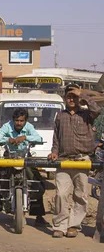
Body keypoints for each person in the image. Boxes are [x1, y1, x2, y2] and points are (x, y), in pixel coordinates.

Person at [48, 85, 101, 238]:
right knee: (61, 194)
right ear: (65, 98)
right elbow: (56, 138)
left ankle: (73, 226)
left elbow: (97, 110)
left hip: (82, 160)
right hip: (64, 161)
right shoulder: (60, 115)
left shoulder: (87, 114)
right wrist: (54, 152)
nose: (71, 99)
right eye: (69, 96)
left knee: (81, 196)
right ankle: (60, 226)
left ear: (78, 99)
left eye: (74, 97)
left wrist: (83, 94)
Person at [0, 108, 46, 225]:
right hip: (9, 156)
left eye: (21, 121)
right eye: (17, 120)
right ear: (13, 120)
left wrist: (25, 137)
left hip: (25, 157)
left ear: (25, 121)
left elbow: (39, 138)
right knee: (0, 181)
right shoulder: (7, 126)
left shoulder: (29, 127)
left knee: (36, 181)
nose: (19, 123)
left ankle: (39, 216)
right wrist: (8, 139)